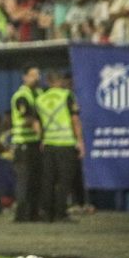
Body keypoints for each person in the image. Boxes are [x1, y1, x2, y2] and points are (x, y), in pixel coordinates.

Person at [35, 70, 84, 222]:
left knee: (48, 180)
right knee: (64, 180)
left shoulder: (40, 99)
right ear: (61, 81)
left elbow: (37, 123)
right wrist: (80, 141)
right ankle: (60, 213)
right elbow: (75, 119)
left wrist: (41, 138)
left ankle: (46, 213)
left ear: (48, 82)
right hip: (66, 143)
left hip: (49, 144)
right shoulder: (67, 95)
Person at [10, 65, 43, 222]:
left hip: (35, 144)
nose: (36, 78)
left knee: (36, 180)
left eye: (37, 74)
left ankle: (34, 213)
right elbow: (29, 118)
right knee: (24, 181)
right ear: (24, 77)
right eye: (32, 75)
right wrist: (42, 135)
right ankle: (21, 215)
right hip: (23, 144)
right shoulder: (21, 96)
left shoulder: (39, 93)